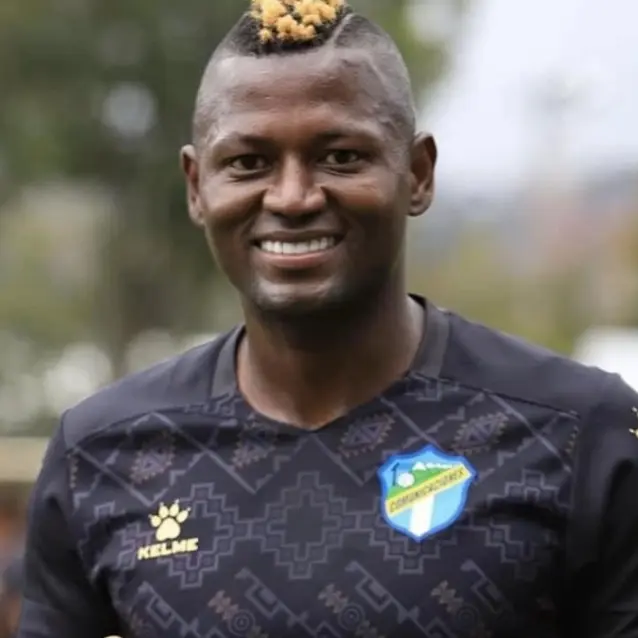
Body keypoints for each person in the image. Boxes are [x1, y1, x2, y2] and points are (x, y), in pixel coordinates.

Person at [16, 0, 638, 636]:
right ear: (197, 186)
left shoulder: (580, 435)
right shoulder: (103, 454)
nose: (293, 198)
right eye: (248, 163)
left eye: (340, 157)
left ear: (418, 174)